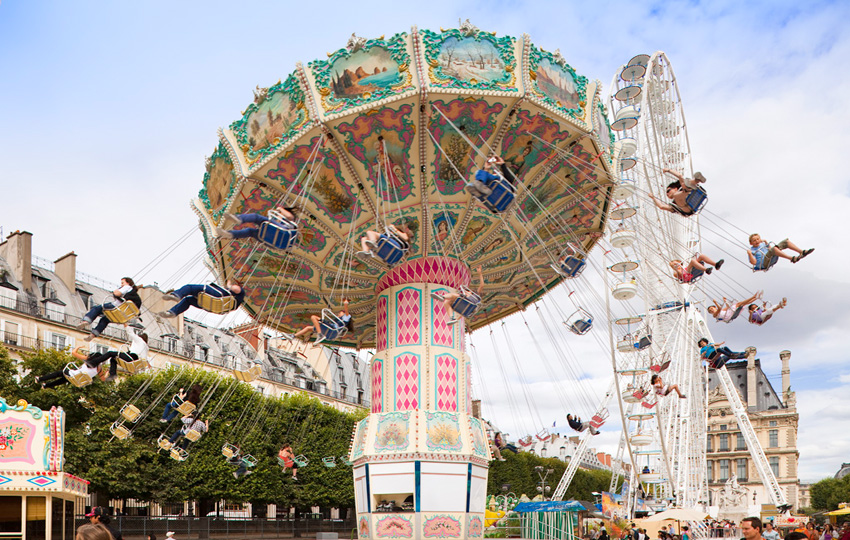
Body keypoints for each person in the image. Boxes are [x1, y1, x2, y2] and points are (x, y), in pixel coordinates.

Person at [159, 279, 245, 318]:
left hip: (217, 295)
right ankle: (172, 312)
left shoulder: (240, 292)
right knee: (188, 300)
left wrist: (229, 285)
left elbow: (236, 289)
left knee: (189, 288)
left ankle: (176, 295)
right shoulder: (236, 302)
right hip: (214, 306)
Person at [216, 206, 298, 240]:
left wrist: (280, 209)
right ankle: (230, 234)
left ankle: (239, 219)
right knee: (250, 231)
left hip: (282, 233)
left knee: (256, 217)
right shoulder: (279, 222)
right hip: (273, 239)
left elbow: (290, 217)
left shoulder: (290, 220)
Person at [747, 233, 813, 270]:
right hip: (764, 263)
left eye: (758, 239)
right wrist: (750, 254)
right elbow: (753, 262)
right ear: (751, 243)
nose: (757, 241)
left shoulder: (763, 244)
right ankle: (792, 258)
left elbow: (770, 249)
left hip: (770, 258)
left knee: (786, 242)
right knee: (774, 249)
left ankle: (801, 251)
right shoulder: (752, 250)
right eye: (754, 240)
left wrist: (766, 242)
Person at [36, 353, 100, 388]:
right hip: (77, 380)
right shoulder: (98, 369)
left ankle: (40, 379)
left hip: (73, 374)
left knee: (58, 373)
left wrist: (78, 347)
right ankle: (46, 385)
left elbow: (74, 352)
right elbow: (103, 378)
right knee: (63, 380)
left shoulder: (88, 360)